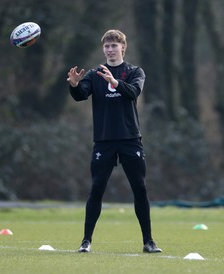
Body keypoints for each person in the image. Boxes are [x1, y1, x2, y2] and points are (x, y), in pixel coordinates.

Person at [67, 29, 162, 253]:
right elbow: (82, 94)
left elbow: (134, 92)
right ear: (103, 49)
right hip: (104, 141)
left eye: (114, 45)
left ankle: (148, 241)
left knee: (140, 188)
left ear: (122, 48)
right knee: (97, 188)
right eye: (107, 46)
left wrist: (115, 82)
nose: (110, 49)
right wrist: (73, 85)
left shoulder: (134, 71)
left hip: (130, 139)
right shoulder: (93, 74)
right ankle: (86, 241)